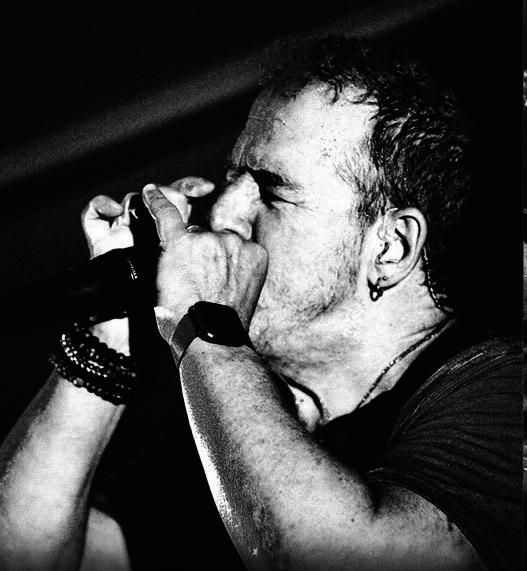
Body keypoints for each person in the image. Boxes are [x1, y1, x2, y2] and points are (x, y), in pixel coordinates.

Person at [0, 36, 521, 570]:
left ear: (391, 249)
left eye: (272, 192)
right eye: (232, 180)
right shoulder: (230, 407)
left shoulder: (503, 389)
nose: (223, 215)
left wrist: (206, 325)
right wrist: (112, 327)